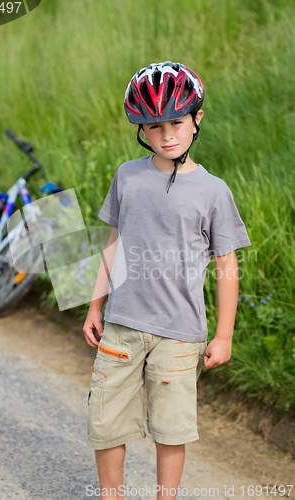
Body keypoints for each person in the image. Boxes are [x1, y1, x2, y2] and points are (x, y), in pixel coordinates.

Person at [83, 61, 251, 500]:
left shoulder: (214, 191)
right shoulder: (127, 176)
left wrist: (225, 334)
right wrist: (95, 305)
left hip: (180, 335)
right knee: (106, 421)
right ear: (141, 129)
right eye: (154, 126)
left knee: (171, 428)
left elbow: (226, 263)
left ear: (197, 119)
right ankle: (111, 495)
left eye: (176, 121)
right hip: (122, 324)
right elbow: (112, 244)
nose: (166, 134)